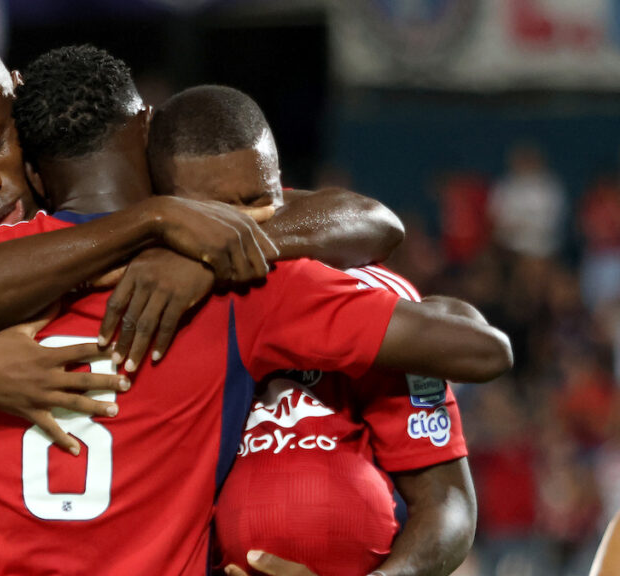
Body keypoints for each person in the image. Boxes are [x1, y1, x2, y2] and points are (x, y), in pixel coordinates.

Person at [0, 47, 510, 575]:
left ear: (33, 169)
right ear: (146, 132)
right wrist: (197, 246)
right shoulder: (243, 290)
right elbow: (480, 350)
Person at [147, 86, 478, 576]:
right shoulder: (143, 307)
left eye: (261, 200)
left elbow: (446, 501)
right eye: (218, 212)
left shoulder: (360, 296)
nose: (244, 225)